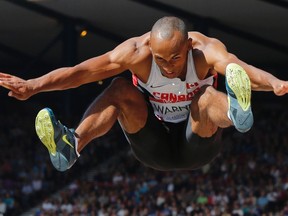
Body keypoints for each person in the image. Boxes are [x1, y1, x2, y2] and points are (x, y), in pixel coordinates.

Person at [0, 16, 287, 172]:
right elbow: (82, 73)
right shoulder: (135, 53)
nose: (167, 66)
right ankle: (70, 146)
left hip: (198, 141)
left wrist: (275, 83)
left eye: (175, 58)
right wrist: (35, 85)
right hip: (152, 144)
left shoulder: (206, 51)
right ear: (150, 45)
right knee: (119, 88)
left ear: (188, 45)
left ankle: (237, 113)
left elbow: (243, 70)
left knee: (206, 96)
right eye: (160, 59)